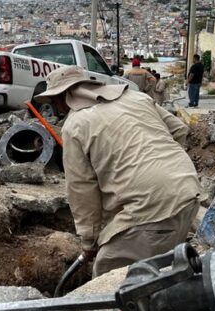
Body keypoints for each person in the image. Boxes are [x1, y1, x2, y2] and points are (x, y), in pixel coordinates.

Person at [34, 66, 201, 277]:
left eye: (54, 102)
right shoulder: (135, 98)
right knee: (157, 274)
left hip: (151, 207)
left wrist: (89, 241)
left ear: (62, 98)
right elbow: (179, 130)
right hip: (188, 191)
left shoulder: (75, 125)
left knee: (107, 273)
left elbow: (81, 189)